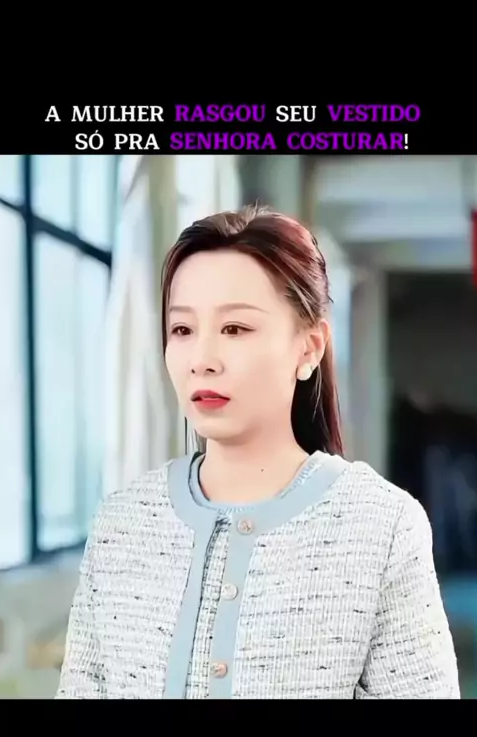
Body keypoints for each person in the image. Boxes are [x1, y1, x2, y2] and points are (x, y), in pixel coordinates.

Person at [56, 204, 460, 700]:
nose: (202, 360)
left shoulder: (382, 526)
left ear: (309, 348)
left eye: (235, 329)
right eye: (182, 330)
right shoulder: (121, 525)